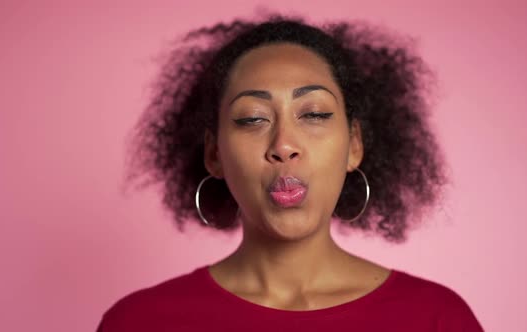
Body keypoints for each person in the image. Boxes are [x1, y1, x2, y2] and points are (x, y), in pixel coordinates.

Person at [97, 13, 484, 331]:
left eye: (314, 114)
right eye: (252, 119)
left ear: (354, 145)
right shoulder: (140, 322)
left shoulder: (436, 319)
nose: (283, 145)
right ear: (214, 154)